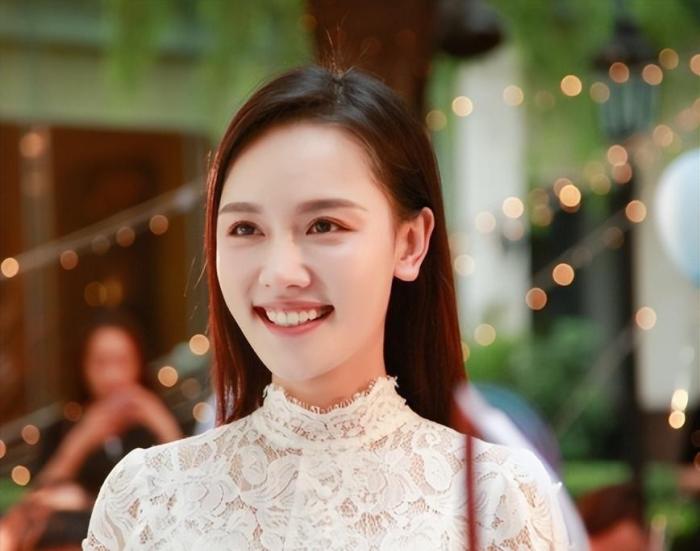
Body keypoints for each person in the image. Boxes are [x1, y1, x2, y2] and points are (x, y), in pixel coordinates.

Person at [83, 64, 569, 550]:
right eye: (245, 229)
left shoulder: (496, 497)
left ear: (410, 243)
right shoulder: (148, 497)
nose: (280, 273)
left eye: (324, 225)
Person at [0, 312, 182, 550]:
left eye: (122, 361)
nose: (112, 375)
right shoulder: (63, 427)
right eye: (100, 363)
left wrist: (159, 419)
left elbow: (188, 488)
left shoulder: (157, 424)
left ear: (139, 363)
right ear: (83, 366)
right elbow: (38, 500)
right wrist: (83, 438)